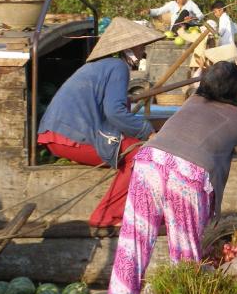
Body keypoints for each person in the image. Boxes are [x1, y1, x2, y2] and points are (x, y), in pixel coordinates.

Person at [106, 61, 237, 294]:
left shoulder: (191, 103)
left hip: (149, 162)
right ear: (235, 91)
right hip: (186, 176)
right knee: (185, 252)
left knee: (133, 241)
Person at [37, 17, 163, 230]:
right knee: (142, 154)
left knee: (134, 146)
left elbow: (110, 110)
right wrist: (148, 132)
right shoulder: (117, 68)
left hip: (56, 134)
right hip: (67, 137)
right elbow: (114, 113)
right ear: (129, 48)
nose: (144, 52)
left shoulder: (102, 66)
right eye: (142, 46)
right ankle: (107, 216)